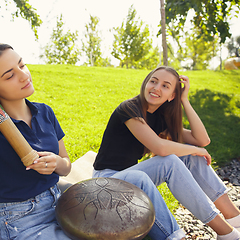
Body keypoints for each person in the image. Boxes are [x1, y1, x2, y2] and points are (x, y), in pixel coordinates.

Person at [0, 44, 185, 240]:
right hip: (24, 222)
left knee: (138, 179)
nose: (23, 75)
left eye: (22, 65)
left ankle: (174, 237)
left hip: (62, 201)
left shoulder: (44, 112)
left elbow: (67, 166)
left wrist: (56, 162)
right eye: (10, 75)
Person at [93, 66, 240, 240]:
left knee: (190, 157)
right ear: (146, 84)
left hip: (131, 178)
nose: (156, 88)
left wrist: (184, 100)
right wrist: (196, 149)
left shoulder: (160, 117)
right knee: (170, 160)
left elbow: (202, 140)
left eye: (165, 85)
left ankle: (234, 217)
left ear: (172, 96)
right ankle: (225, 232)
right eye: (153, 81)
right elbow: (160, 148)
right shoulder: (129, 109)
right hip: (107, 181)